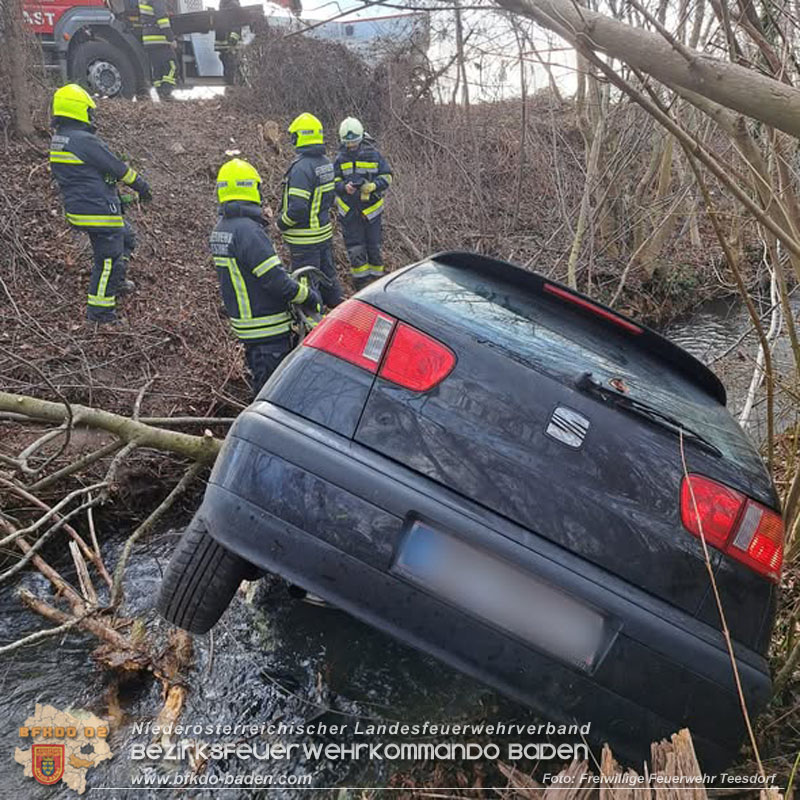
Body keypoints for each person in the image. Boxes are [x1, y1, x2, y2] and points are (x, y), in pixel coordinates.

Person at [211, 158, 322, 397]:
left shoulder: (222, 229)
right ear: (250, 188)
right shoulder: (248, 231)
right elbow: (274, 279)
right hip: (267, 328)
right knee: (273, 395)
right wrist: (308, 296)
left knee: (264, 386)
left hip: (248, 326)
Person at [49, 84, 152, 324]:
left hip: (82, 207)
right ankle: (100, 314)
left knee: (127, 237)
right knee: (108, 260)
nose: (92, 116)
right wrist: (142, 186)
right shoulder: (83, 140)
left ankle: (116, 282)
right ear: (79, 110)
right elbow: (117, 168)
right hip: (98, 211)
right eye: (89, 110)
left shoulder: (61, 139)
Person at [277, 113, 343, 309]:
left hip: (305, 239)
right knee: (328, 276)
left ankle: (313, 325)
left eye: (294, 136)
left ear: (301, 136)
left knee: (307, 284)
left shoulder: (301, 168)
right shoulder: (325, 163)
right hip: (322, 233)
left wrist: (281, 223)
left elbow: (297, 208)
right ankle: (337, 309)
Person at [333, 117, 393, 290]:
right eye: (348, 143)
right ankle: (360, 283)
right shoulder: (340, 157)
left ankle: (377, 282)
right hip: (349, 212)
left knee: (373, 246)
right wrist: (344, 187)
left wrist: (373, 186)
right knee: (355, 247)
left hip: (371, 212)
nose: (351, 146)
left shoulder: (373, 154)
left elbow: (387, 176)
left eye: (354, 143)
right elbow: (334, 180)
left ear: (361, 138)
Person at [138, 0, 177, 99]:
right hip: (159, 39)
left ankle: (160, 94)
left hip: (148, 39)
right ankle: (166, 93)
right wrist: (171, 38)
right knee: (172, 66)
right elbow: (162, 19)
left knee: (157, 69)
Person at [214, 0, 242, 86]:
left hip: (230, 43)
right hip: (225, 43)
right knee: (227, 62)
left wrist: (232, 40)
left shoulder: (232, 4)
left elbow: (237, 23)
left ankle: (234, 88)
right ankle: (232, 87)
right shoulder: (224, 4)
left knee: (231, 65)